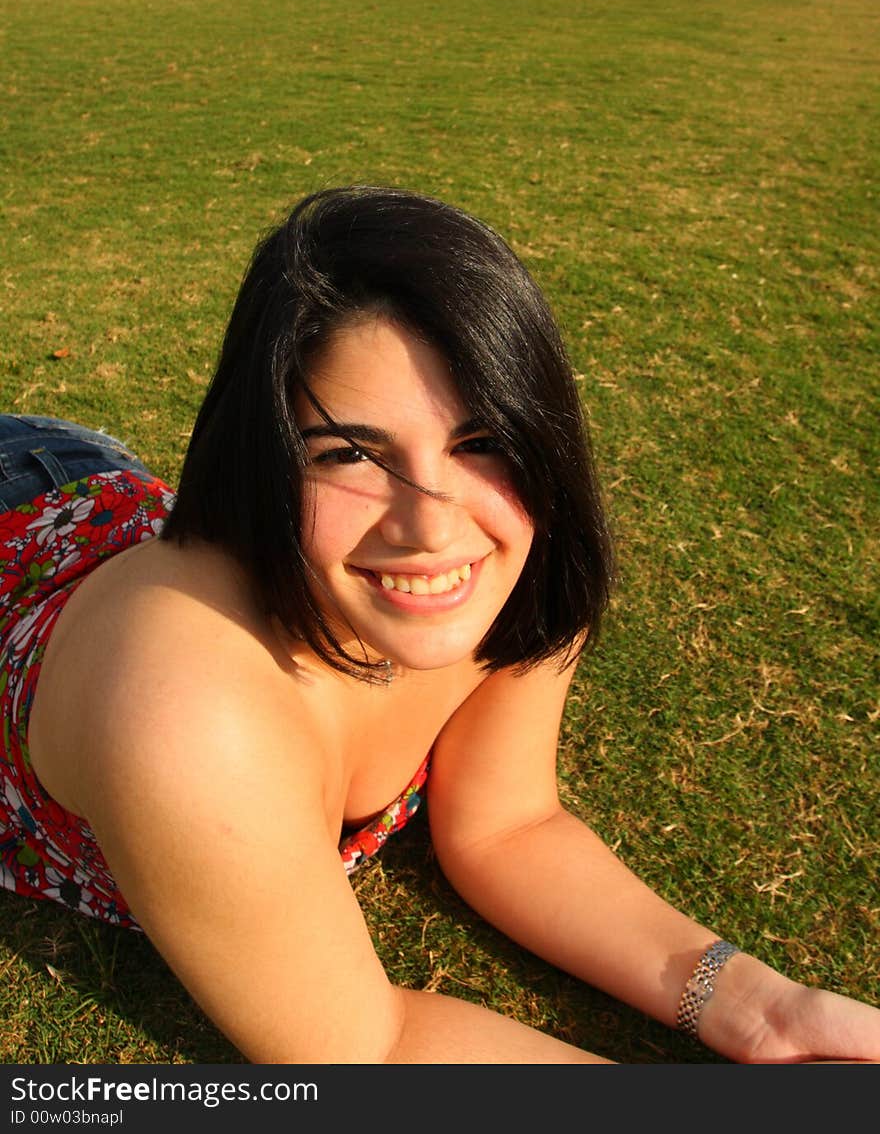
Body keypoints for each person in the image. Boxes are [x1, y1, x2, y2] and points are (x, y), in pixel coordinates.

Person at [0, 186, 877, 1065]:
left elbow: (507, 826)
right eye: (348, 451)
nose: (431, 528)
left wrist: (766, 1012)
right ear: (265, 459)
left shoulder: (515, 552)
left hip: (84, 484)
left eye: (482, 439)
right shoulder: (185, 713)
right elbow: (366, 1054)